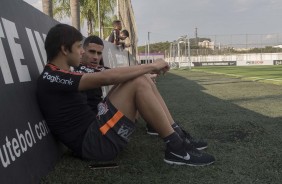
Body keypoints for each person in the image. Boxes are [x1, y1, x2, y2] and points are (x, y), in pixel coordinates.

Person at [37, 24, 215, 166]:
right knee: (138, 81)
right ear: (64, 49)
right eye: (78, 47)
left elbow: (109, 75)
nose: (82, 52)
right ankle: (176, 147)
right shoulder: (52, 77)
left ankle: (177, 136)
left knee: (140, 78)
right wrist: (152, 66)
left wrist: (147, 71)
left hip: (96, 131)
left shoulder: (58, 73)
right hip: (94, 145)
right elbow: (107, 77)